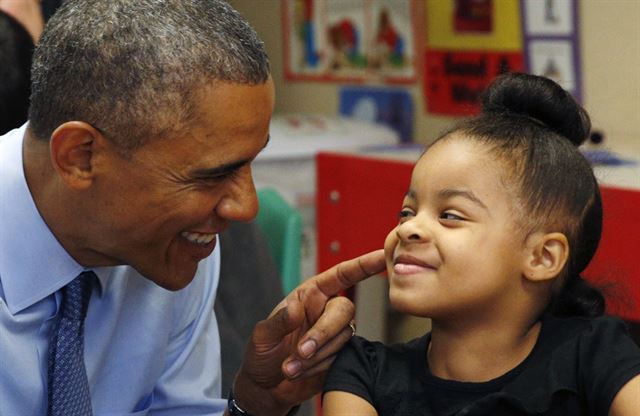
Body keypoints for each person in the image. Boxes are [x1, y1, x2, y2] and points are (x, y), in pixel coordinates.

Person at [0, 1, 385, 415]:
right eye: (211, 176)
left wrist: (253, 406)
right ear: (81, 156)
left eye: (249, 164)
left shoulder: (173, 248)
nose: (246, 208)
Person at [322, 73, 640, 415]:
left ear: (542, 257)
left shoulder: (597, 354)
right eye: (407, 211)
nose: (409, 228)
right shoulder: (362, 372)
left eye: (451, 215)